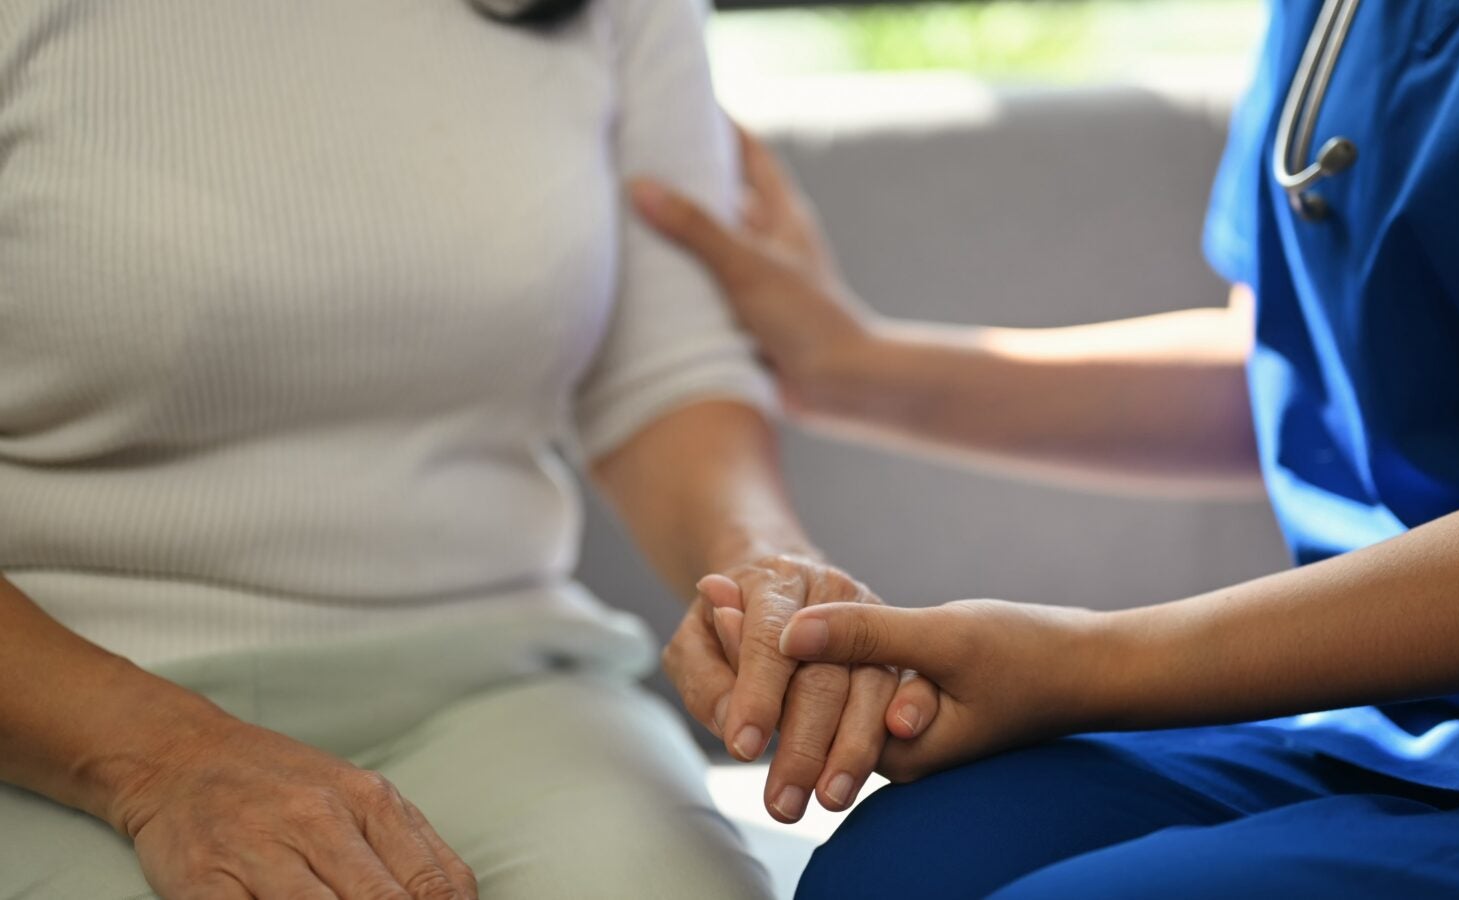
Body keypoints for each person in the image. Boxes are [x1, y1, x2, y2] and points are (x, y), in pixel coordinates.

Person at [630, 1, 1459, 896]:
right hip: (1369, 713)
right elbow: (1309, 366)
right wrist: (853, 366)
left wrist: (1090, 665)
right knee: (898, 874)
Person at [0, 0, 931, 897]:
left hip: (498, 681)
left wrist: (769, 573)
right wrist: (163, 759)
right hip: (46, 708)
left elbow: (663, 377)